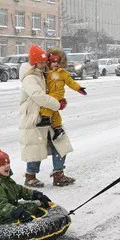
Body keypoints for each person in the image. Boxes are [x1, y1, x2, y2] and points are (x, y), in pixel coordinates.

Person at [19, 45, 76, 187]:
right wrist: (56, 104)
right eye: (41, 62)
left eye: (45, 62)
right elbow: (38, 96)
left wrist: (60, 98)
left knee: (61, 143)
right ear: (34, 63)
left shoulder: (43, 73)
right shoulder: (29, 78)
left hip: (50, 116)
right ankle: (30, 177)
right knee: (35, 147)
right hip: (35, 117)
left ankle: (58, 174)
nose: (45, 64)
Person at [0, 148, 52, 224]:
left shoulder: (6, 180)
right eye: (3, 164)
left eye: (8, 163)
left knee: (32, 207)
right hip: (1, 218)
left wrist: (36, 194)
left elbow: (19, 190)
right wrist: (17, 213)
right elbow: (1, 206)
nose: (7, 166)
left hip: (11, 210)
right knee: (26, 219)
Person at [37, 48, 87, 141]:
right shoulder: (47, 72)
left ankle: (46, 118)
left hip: (57, 94)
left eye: (57, 62)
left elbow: (70, 82)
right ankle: (58, 128)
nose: (55, 64)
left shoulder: (62, 73)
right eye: (53, 62)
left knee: (47, 104)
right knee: (54, 111)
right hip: (50, 93)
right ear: (49, 62)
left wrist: (78, 88)